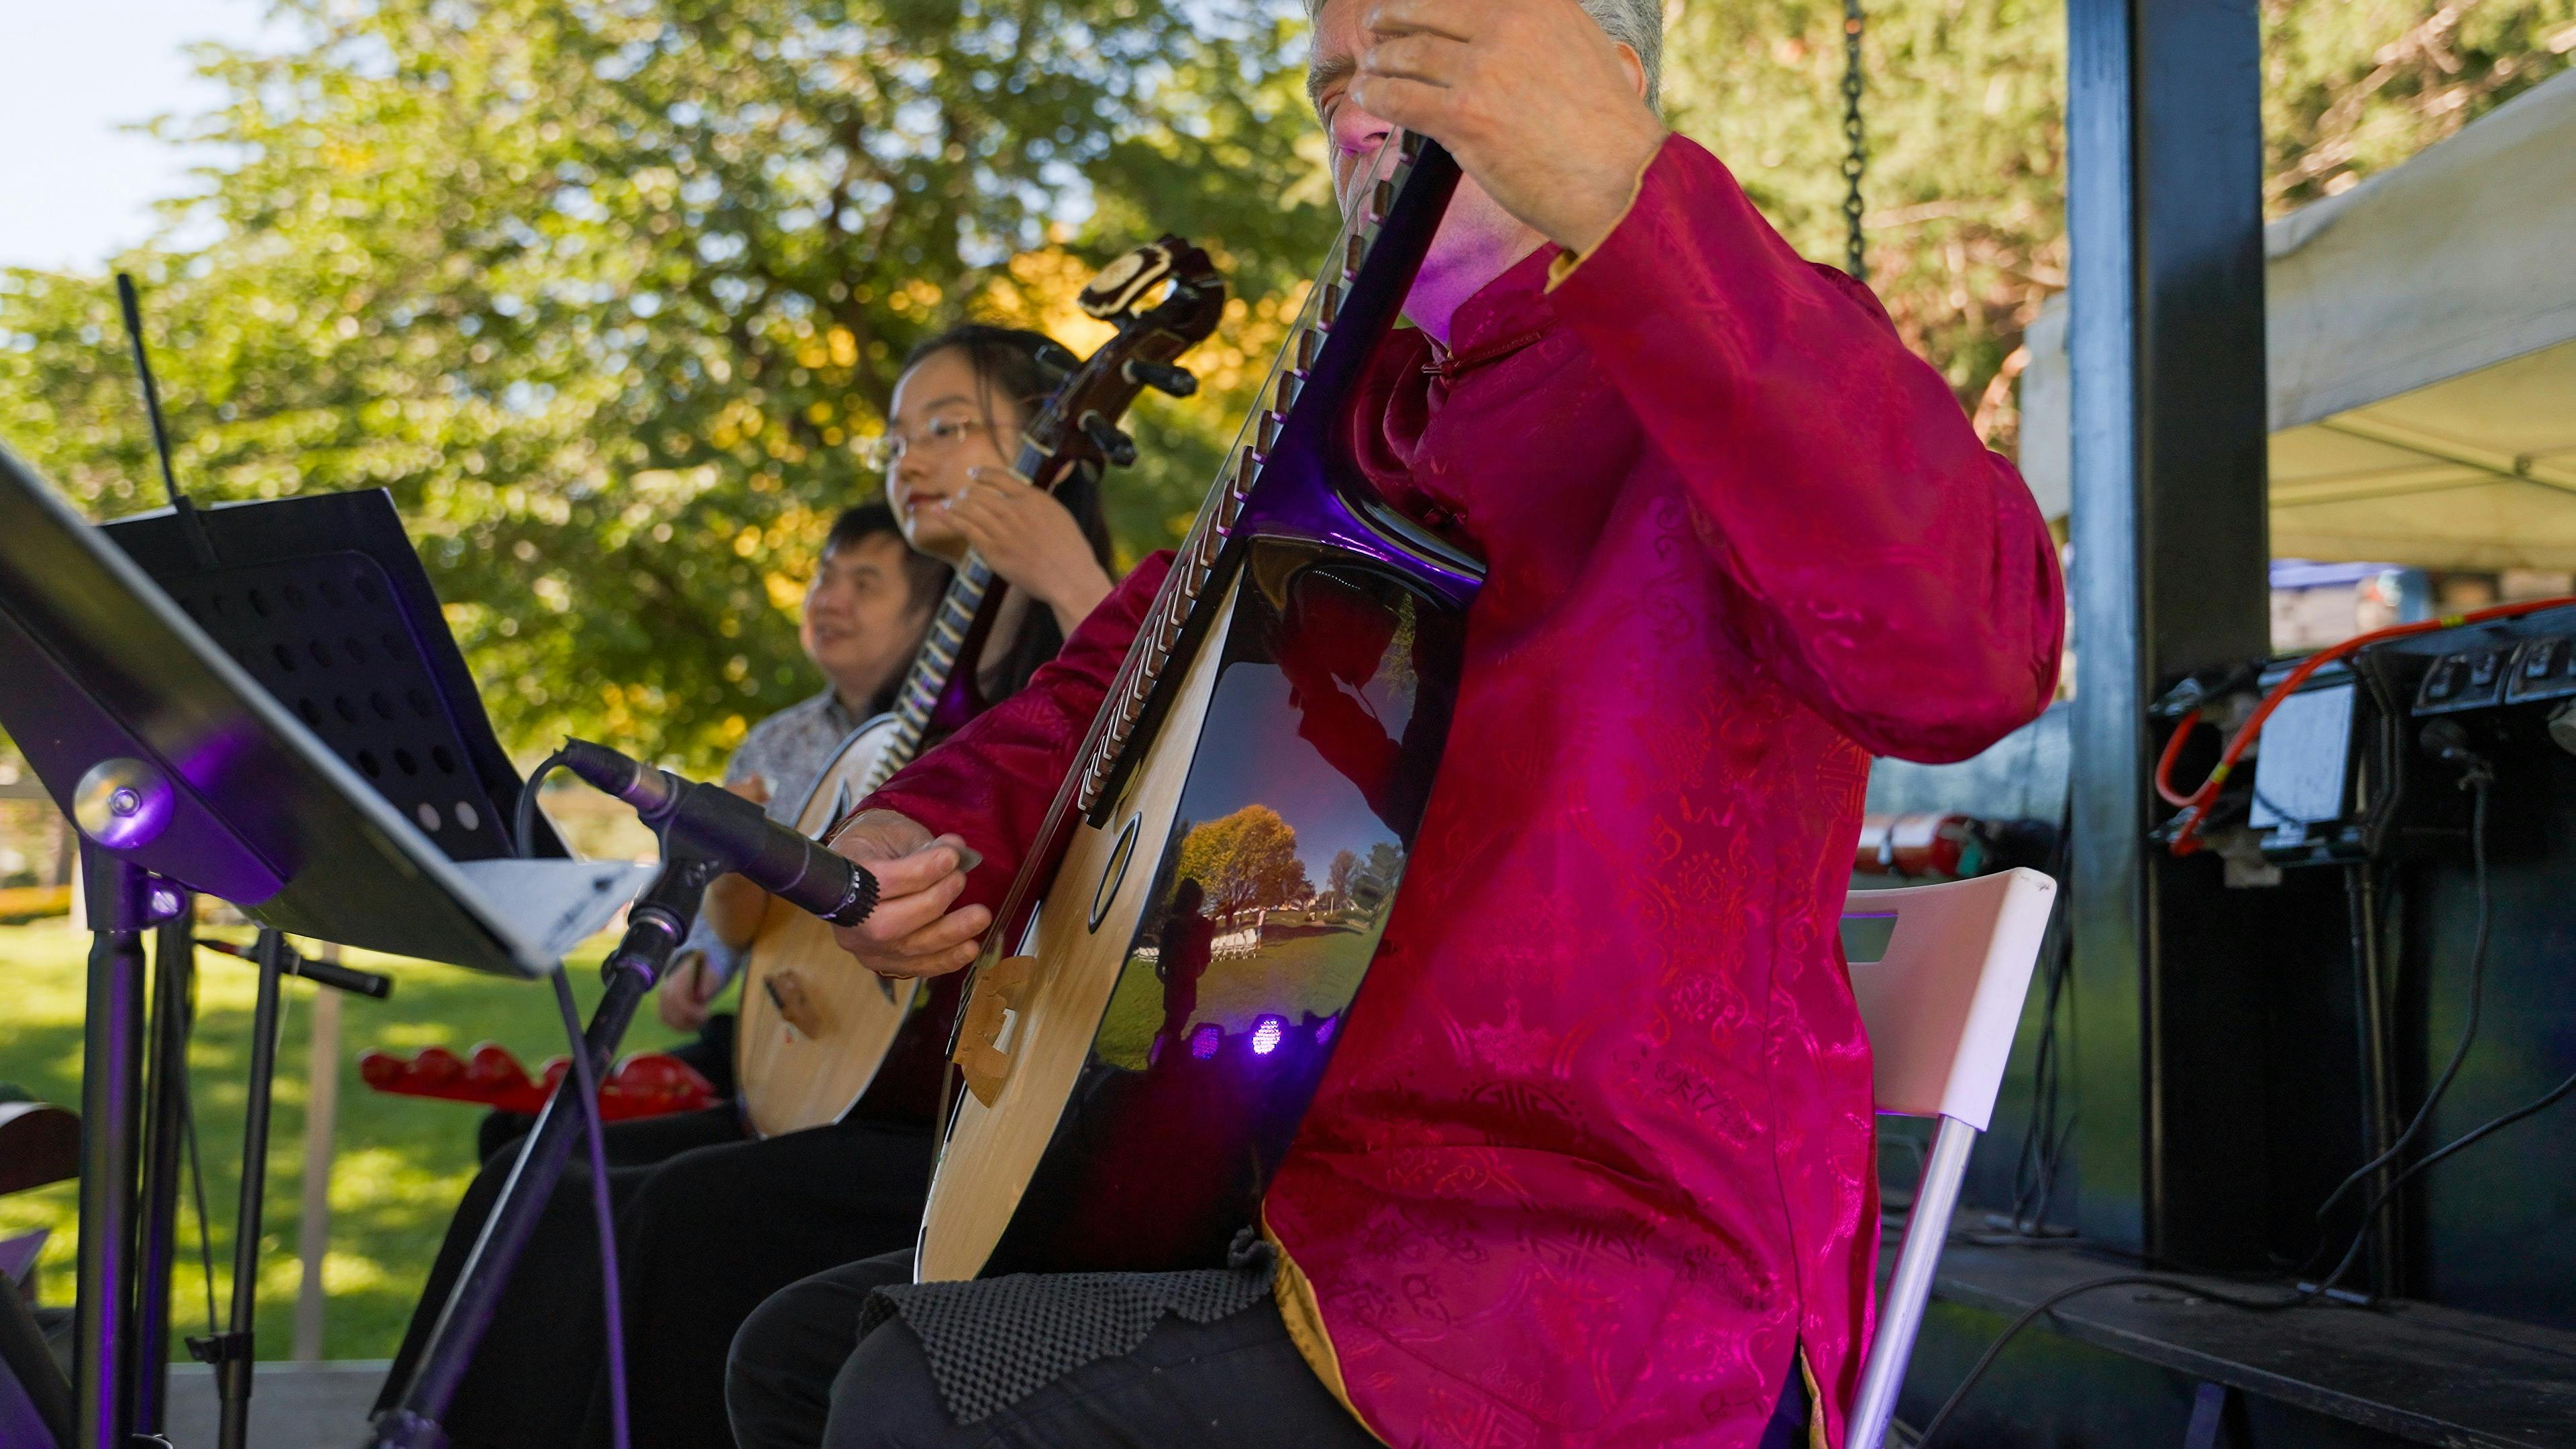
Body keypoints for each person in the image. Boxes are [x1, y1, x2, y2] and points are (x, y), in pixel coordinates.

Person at [724, 0, 2066, 1442]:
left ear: (1607, 84)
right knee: (790, 1350)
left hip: (1580, 1283)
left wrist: (1629, 195)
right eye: (1329, 95)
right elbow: (1097, 685)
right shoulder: (1345, 419)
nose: (1361, 118)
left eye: (1423, 64)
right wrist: (928, 826)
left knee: (910, 1399)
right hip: (1280, 1200)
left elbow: (1972, 659)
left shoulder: (1742, 344)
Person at [378, 323, 1122, 1449]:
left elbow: (1128, 800)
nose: (907, 464)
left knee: (683, 1211)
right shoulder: (950, 676)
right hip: (847, 1070)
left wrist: (1074, 579)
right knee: (528, 1174)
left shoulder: (1087, 640)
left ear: (1060, 442)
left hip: (989, 1110)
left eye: (948, 429)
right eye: (894, 441)